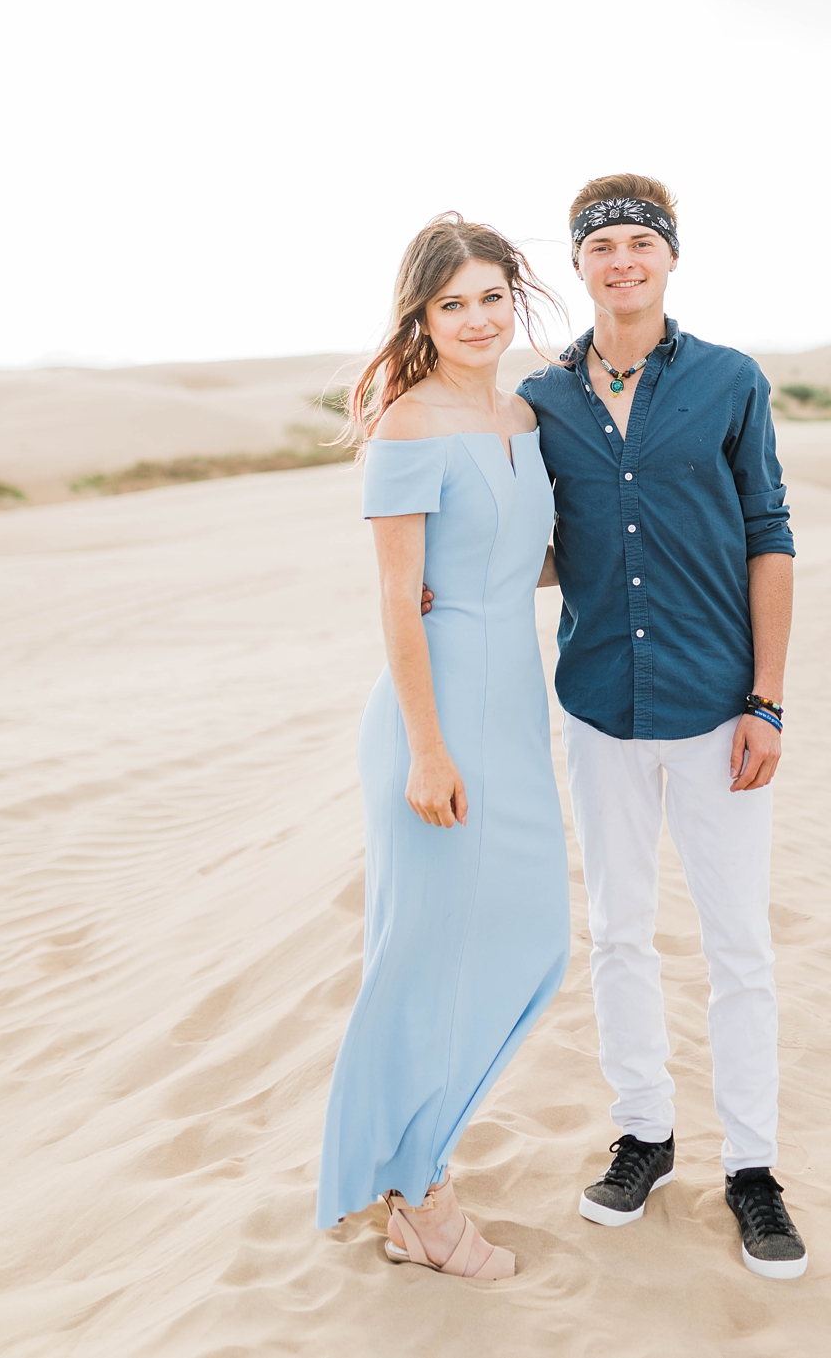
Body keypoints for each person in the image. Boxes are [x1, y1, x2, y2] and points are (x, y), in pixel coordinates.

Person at [516, 174, 807, 1281]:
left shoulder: (730, 382)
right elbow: (543, 545)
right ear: (581, 266)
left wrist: (768, 696)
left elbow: (769, 533)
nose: (622, 261)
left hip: (720, 711)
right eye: (603, 246)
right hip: (599, 706)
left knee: (738, 946)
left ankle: (754, 1169)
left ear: (670, 260)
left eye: (642, 243)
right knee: (620, 932)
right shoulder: (543, 399)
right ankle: (643, 1131)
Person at [316, 213, 570, 1281]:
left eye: (491, 297)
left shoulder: (522, 412)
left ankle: (413, 1160)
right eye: (451, 302)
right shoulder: (408, 422)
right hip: (439, 718)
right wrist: (427, 749)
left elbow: (527, 562)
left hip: (516, 701)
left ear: (517, 298)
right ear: (420, 313)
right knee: (421, 953)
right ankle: (415, 1194)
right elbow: (396, 595)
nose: (476, 318)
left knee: (533, 937)